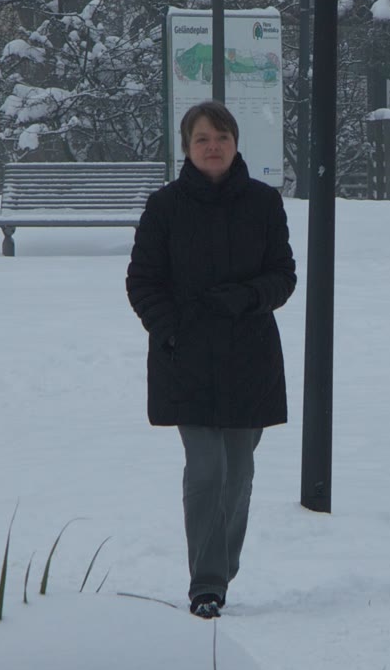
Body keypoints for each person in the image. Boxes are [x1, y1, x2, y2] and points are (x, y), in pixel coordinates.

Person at [125, 101, 297, 619]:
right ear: (187, 147)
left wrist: (244, 298)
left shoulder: (264, 203)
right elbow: (142, 281)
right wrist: (172, 329)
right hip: (187, 359)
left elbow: (283, 276)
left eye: (221, 137)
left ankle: (220, 568)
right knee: (206, 470)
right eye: (202, 139)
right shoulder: (164, 207)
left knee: (238, 475)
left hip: (250, 358)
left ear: (236, 143)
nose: (213, 147)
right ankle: (207, 585)